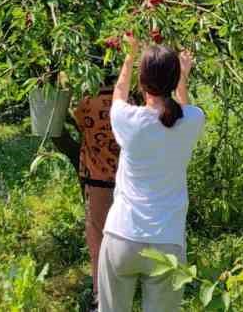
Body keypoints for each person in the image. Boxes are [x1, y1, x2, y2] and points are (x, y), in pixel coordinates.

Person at [98, 38, 205, 312]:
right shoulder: (192, 121)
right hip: (166, 241)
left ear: (142, 82)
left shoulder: (129, 120)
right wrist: (182, 78)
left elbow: (119, 93)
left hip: (122, 235)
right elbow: (184, 108)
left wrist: (130, 54)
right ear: (174, 80)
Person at [72, 80, 122, 300]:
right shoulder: (127, 103)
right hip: (123, 179)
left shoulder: (85, 103)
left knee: (97, 238)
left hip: (97, 179)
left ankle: (100, 293)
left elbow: (79, 124)